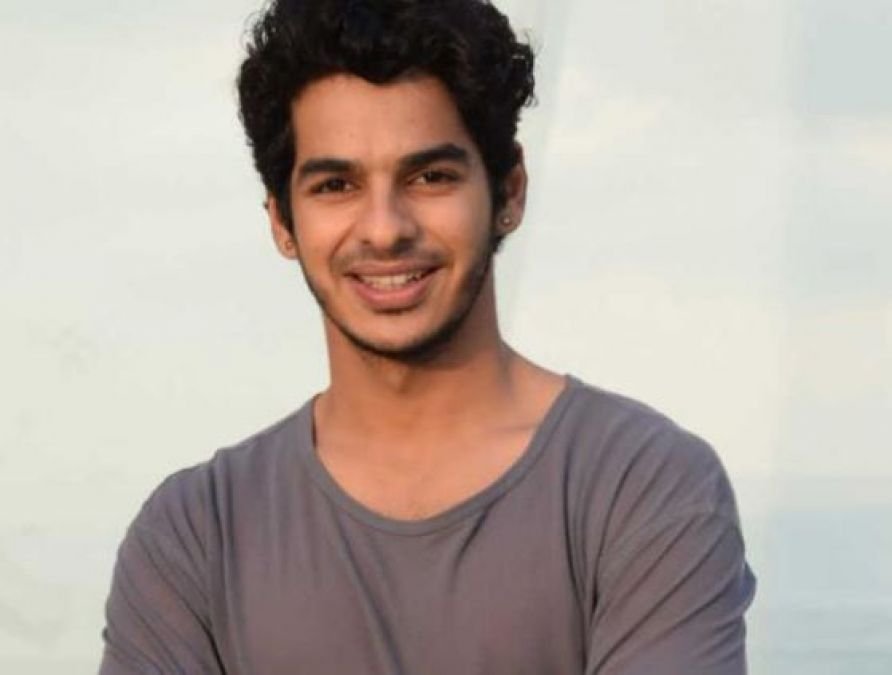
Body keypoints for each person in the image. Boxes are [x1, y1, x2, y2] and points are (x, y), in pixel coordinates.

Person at [99, 0, 756, 673]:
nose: (385, 229)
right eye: (336, 184)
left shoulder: (642, 489)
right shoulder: (195, 535)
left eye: (430, 177)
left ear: (509, 191)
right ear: (281, 221)